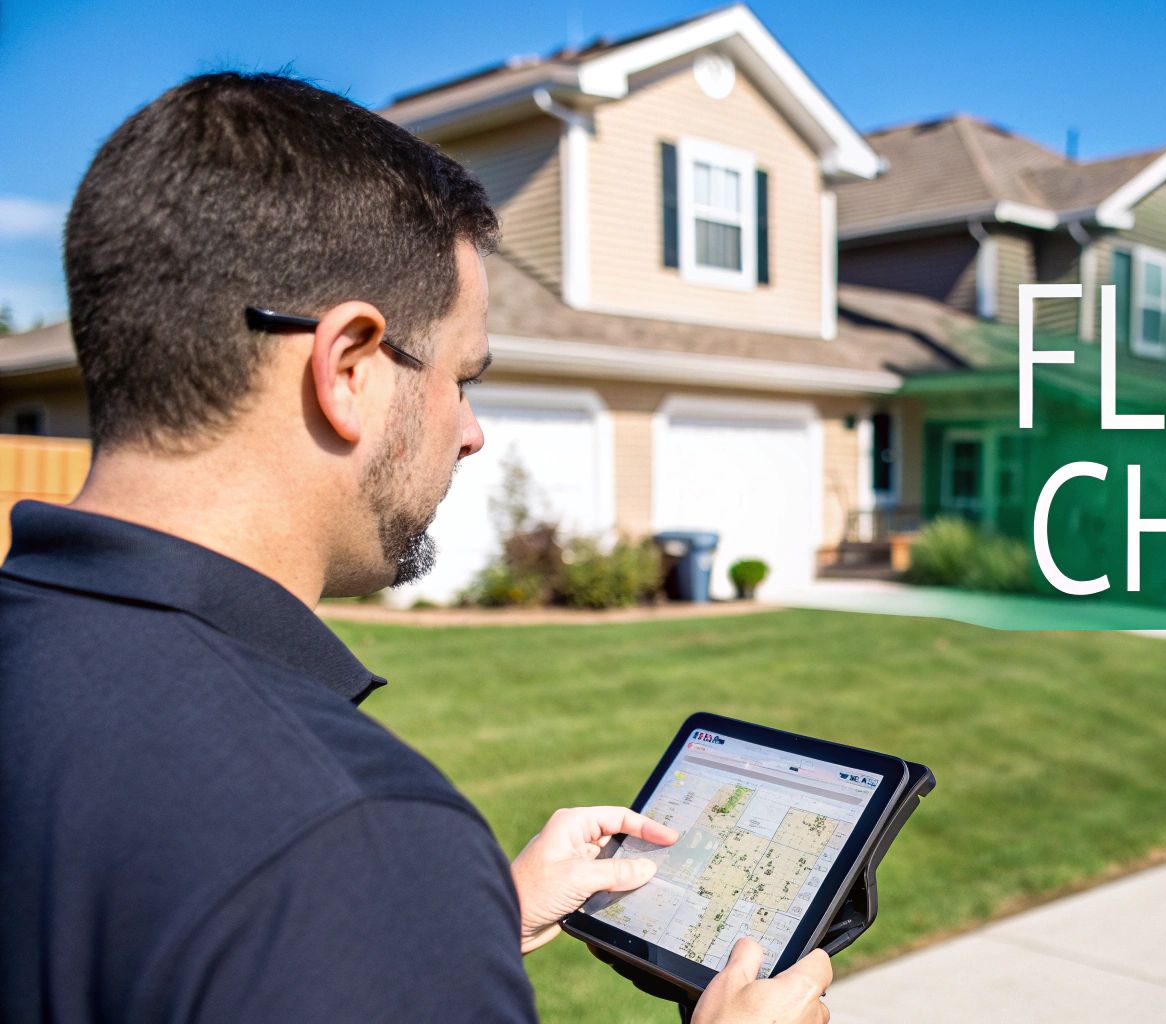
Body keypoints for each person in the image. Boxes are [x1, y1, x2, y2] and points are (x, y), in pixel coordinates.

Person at [0, 72, 832, 1023]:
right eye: (463, 378)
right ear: (348, 366)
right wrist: (401, 905)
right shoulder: (351, 837)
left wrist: (458, 927)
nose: (472, 432)